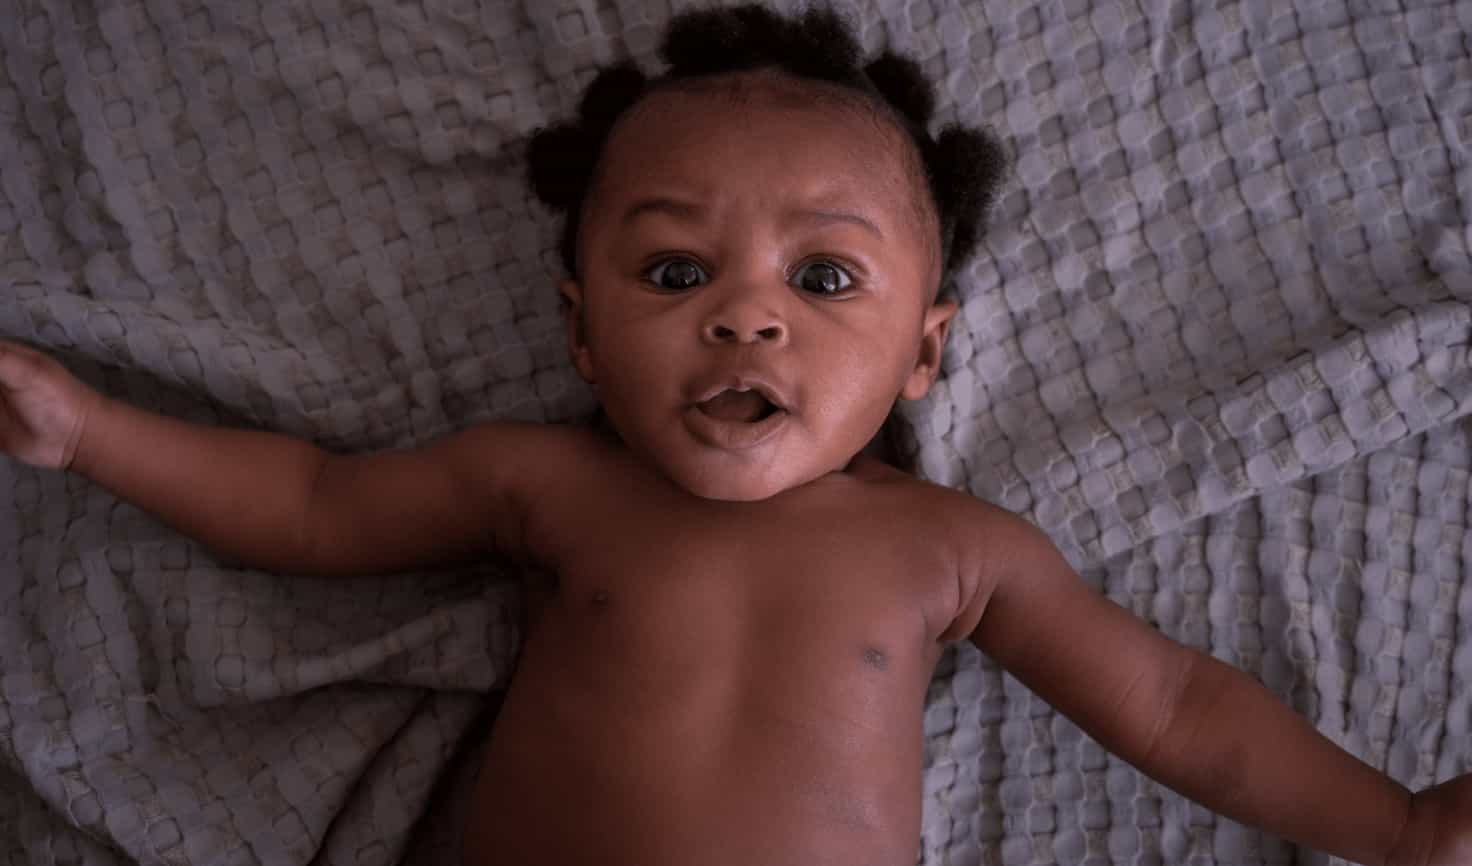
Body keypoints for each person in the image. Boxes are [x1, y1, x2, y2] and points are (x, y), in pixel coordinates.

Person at [0, 5, 1467, 865]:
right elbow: (317, 504)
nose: (745, 320)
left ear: (924, 352)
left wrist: (1393, 827)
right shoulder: (549, 480)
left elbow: (1174, 705)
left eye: (823, 279)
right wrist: (92, 430)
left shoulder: (952, 549)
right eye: (675, 272)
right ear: (583, 333)